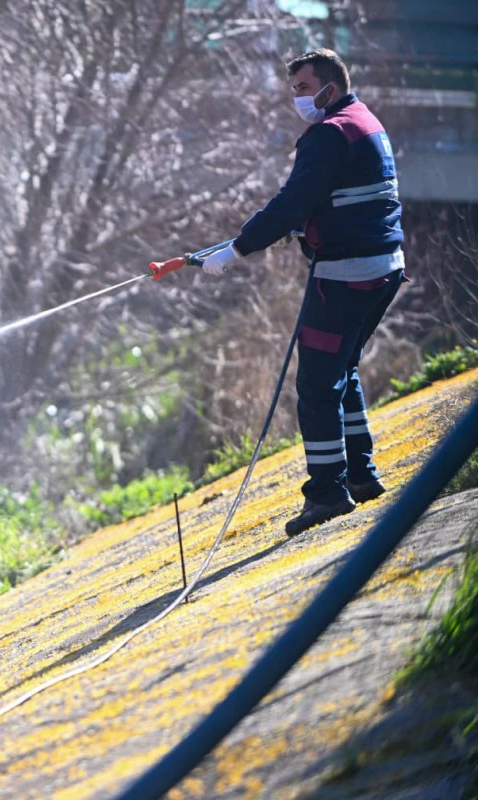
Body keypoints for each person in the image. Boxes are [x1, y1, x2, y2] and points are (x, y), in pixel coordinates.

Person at [200, 48, 405, 536]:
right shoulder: (365, 121)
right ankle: (361, 477)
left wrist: (237, 250)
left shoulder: (328, 133)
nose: (297, 99)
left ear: (329, 88)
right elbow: (343, 199)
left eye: (303, 89)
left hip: (344, 276)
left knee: (315, 387)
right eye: (294, 90)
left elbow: (293, 202)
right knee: (342, 371)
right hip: (385, 268)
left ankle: (328, 494)